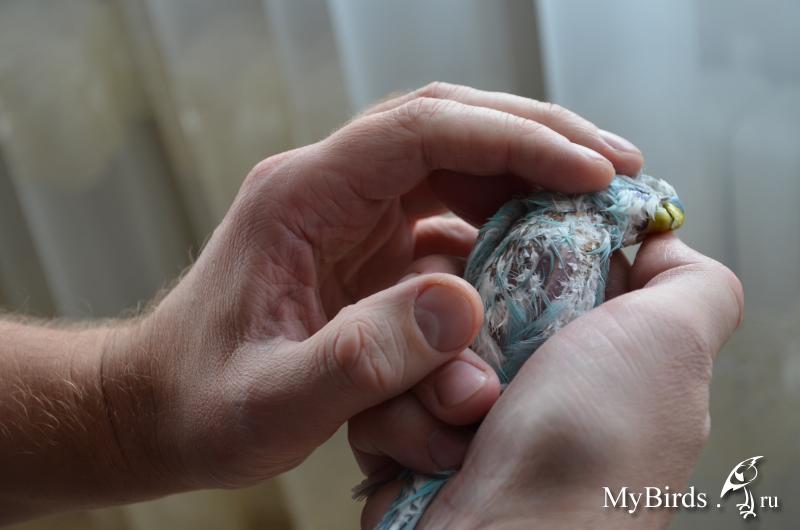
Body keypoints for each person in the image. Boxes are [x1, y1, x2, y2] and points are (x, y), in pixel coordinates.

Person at [0, 82, 742, 529]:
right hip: (477, 368)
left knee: (450, 411)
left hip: (484, 376)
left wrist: (123, 407)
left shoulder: (586, 230)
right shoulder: (533, 217)